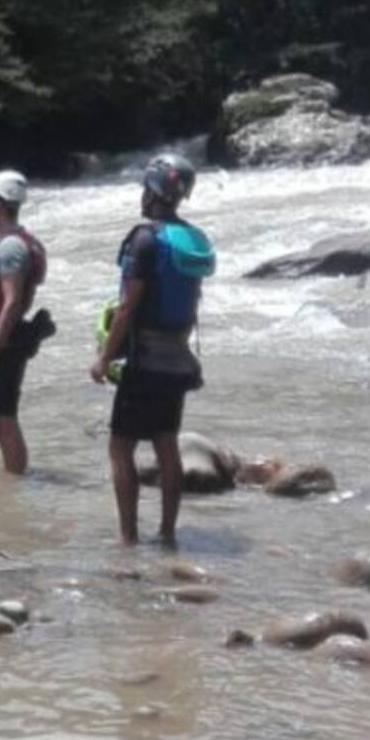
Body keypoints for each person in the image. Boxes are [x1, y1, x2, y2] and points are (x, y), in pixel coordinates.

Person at [89, 153, 215, 545]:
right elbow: (192, 303)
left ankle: (128, 538)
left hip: (144, 360)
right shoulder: (191, 241)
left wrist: (104, 358)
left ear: (155, 191)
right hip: (177, 358)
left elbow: (127, 307)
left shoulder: (144, 241)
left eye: (146, 187)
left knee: (120, 447)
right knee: (166, 443)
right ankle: (167, 533)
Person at [0, 169, 54, 474]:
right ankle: (13, 480)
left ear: (2, 204)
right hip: (8, 338)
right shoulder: (16, 242)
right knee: (0, 417)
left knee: (4, 418)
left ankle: (17, 482)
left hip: (5, 340)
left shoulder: (11, 248)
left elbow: (13, 301)